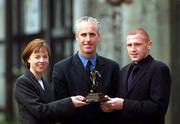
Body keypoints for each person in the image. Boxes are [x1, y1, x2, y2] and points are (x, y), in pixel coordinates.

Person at [52, 16, 120, 124]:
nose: (88, 39)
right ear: (77, 37)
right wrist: (71, 103)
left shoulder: (113, 68)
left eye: (92, 34)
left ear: (99, 37)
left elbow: (118, 107)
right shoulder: (61, 69)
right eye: (83, 34)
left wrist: (110, 107)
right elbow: (58, 108)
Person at [101, 28, 171, 124]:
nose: (133, 49)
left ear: (149, 45)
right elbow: (120, 104)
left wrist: (124, 104)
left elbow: (159, 108)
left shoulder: (159, 69)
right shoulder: (123, 71)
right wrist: (110, 107)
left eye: (137, 44)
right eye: (129, 45)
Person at [15, 39, 87, 124]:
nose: (42, 60)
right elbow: (40, 111)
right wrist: (70, 102)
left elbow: (53, 112)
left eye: (45, 57)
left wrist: (76, 103)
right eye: (37, 57)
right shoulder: (23, 82)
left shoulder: (45, 83)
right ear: (28, 59)